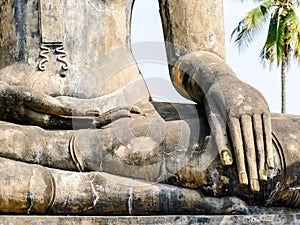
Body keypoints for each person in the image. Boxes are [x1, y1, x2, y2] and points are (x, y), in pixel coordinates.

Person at [0, 0, 298, 214]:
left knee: (274, 150)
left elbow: (194, 50)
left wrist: (222, 83)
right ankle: (50, 158)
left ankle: (50, 160)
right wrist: (8, 100)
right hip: (10, 126)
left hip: (128, 119)